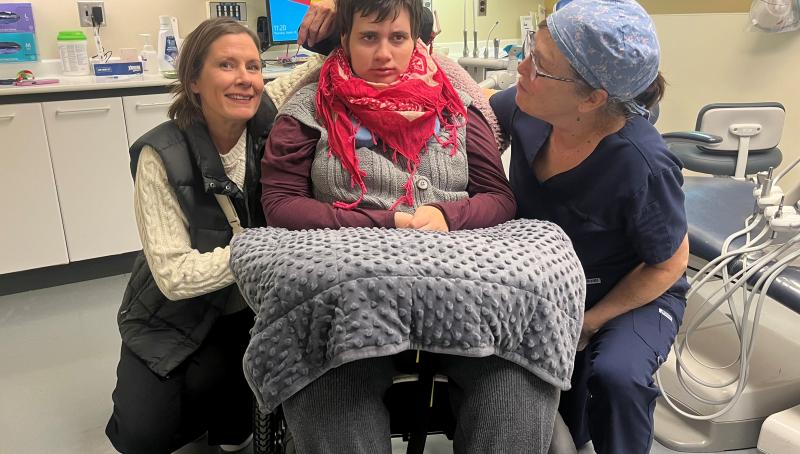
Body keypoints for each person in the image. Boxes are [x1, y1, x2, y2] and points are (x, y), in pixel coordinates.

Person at [255, 0, 572, 452]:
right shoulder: (308, 109)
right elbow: (281, 205)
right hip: (350, 307)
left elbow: (498, 198)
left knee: (515, 379)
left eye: (397, 37)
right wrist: (387, 221)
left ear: (414, 40)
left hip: (467, 300)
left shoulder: (458, 107)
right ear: (343, 40)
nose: (384, 53)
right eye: (369, 37)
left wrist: (448, 215)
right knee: (324, 382)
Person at [490, 1, 689, 453]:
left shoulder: (642, 164)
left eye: (539, 64)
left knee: (616, 377)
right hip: (553, 286)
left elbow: (669, 262)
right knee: (545, 404)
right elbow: (466, 123)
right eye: (529, 51)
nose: (521, 68)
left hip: (631, 292)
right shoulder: (526, 107)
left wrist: (591, 322)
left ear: (593, 97)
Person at [105, 18, 277, 454]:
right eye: (227, 65)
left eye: (254, 67)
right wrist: (266, 250)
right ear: (194, 80)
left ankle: (224, 408)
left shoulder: (269, 127)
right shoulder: (160, 154)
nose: (245, 80)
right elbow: (174, 277)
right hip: (170, 312)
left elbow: (317, 68)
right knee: (144, 437)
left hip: (243, 312)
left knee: (231, 413)